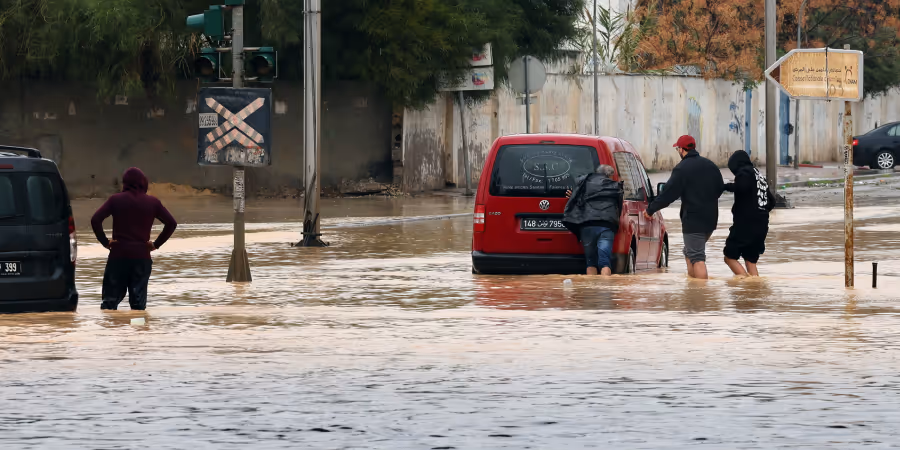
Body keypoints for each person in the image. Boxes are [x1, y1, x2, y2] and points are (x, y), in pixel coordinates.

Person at [91, 168, 177, 310]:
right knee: (138, 306)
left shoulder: (115, 200)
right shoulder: (153, 202)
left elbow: (95, 220)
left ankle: (110, 324)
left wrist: (105, 242)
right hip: (141, 258)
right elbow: (171, 223)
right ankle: (137, 324)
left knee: (109, 303)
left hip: (118, 257)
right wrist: (156, 244)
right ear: (143, 182)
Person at [643, 135, 724, 279]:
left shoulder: (682, 169)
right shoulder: (710, 165)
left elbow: (668, 195)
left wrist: (650, 210)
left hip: (693, 219)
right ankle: (693, 287)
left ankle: (702, 290)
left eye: (678, 149)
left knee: (697, 256)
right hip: (711, 219)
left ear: (681, 149)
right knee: (689, 252)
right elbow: (719, 188)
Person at [563, 164, 624, 276]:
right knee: (604, 262)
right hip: (606, 225)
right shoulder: (615, 186)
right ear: (610, 175)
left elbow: (577, 201)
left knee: (590, 262)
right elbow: (619, 209)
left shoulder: (584, 183)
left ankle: (591, 286)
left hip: (587, 224)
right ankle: (606, 286)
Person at [723, 150, 775, 277]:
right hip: (762, 226)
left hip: (745, 225)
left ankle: (746, 284)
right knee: (750, 261)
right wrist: (760, 212)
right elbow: (772, 201)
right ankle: (755, 287)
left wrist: (723, 186)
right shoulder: (758, 175)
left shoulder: (745, 173)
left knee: (729, 257)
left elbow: (741, 187)